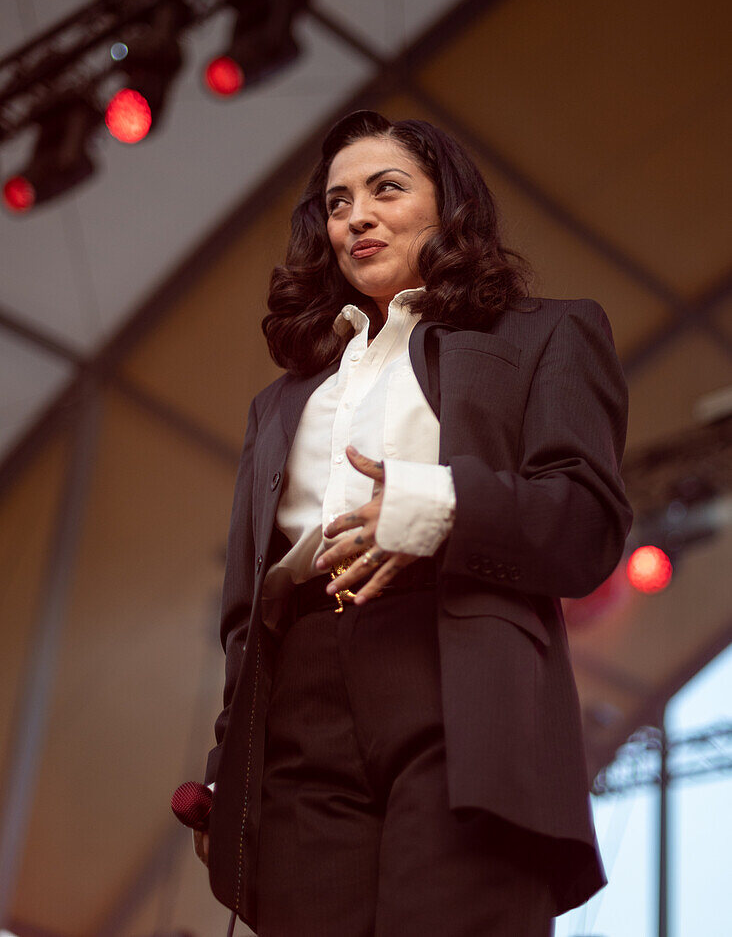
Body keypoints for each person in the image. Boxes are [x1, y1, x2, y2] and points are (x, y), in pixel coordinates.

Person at [194, 109, 633, 936]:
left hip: (460, 678)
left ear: (449, 206)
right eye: (336, 202)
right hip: (298, 707)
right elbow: (244, 616)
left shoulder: (548, 335)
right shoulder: (280, 403)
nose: (355, 215)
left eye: (385, 189)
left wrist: (435, 507)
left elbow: (586, 525)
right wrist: (230, 771)